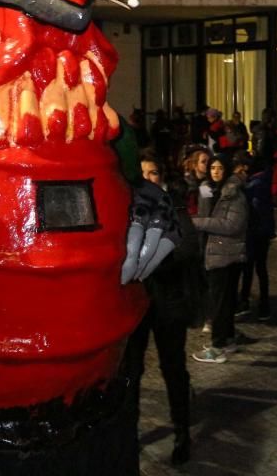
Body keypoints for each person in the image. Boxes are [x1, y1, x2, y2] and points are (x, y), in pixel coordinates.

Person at [123, 155, 199, 465]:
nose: (147, 178)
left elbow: (186, 249)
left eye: (153, 172)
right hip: (136, 302)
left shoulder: (172, 206)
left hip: (168, 301)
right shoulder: (128, 207)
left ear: (161, 176)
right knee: (132, 370)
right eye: (141, 172)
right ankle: (129, 433)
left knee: (173, 368)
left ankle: (182, 432)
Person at [190, 155, 248, 363]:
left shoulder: (235, 194)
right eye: (212, 167)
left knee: (220, 302)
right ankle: (229, 339)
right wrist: (204, 192)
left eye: (219, 168)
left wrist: (199, 222)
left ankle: (218, 346)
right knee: (224, 299)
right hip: (213, 250)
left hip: (227, 253)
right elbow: (206, 212)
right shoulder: (208, 189)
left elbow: (232, 225)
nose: (215, 171)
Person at [236, 152, 274, 321]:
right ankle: (262, 303)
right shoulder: (263, 181)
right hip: (263, 231)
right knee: (260, 268)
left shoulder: (254, 185)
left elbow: (254, 208)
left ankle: (247, 301)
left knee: (250, 267)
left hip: (255, 232)